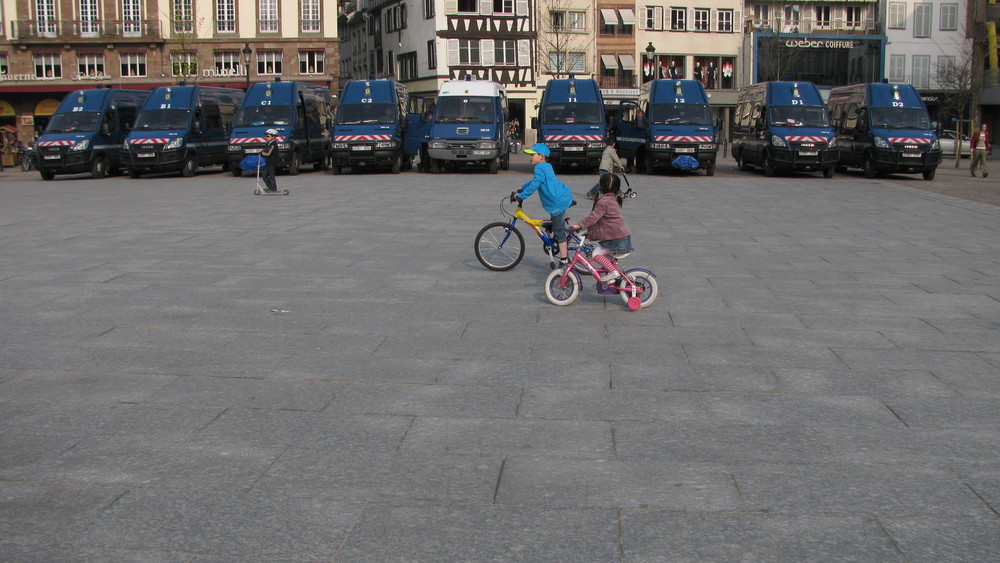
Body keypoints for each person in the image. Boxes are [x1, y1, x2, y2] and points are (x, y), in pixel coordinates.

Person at [512, 143, 574, 266]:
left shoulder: (539, 167)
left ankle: (564, 259)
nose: (530, 157)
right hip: (560, 196)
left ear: (541, 156)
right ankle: (554, 230)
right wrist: (523, 187)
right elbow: (535, 181)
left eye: (532, 155)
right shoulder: (546, 166)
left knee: (559, 231)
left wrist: (521, 195)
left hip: (557, 201)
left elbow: (536, 184)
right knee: (555, 225)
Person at [570, 174, 633, 283]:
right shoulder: (613, 199)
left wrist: (578, 225)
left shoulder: (604, 201)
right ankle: (609, 282)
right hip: (620, 237)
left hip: (617, 240)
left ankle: (613, 272)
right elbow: (602, 224)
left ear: (601, 186)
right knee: (605, 260)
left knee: (596, 254)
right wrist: (588, 232)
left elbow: (593, 218)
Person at [588, 137, 625, 201]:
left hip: (603, 168)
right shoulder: (611, 150)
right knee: (608, 182)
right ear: (613, 144)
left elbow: (610, 161)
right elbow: (616, 159)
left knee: (605, 182)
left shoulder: (606, 150)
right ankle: (591, 193)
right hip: (606, 169)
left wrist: (618, 166)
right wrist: (621, 166)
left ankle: (591, 193)